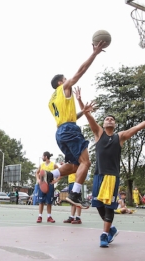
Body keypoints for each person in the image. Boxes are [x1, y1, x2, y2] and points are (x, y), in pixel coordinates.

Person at [79, 87, 145, 247]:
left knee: (109, 206)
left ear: (115, 124)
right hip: (98, 175)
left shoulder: (120, 137)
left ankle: (104, 235)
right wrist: (80, 101)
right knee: (98, 205)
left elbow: (137, 128)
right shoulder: (98, 133)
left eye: (112, 119)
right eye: (107, 119)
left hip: (112, 176)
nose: (109, 120)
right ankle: (110, 229)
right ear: (103, 124)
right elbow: (88, 116)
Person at [42, 41, 108, 209]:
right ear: (60, 82)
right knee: (86, 163)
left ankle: (51, 175)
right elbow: (80, 72)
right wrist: (94, 54)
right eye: (65, 79)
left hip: (60, 132)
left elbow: (68, 118)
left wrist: (83, 112)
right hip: (70, 130)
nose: (68, 80)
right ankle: (75, 194)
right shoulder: (64, 87)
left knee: (75, 166)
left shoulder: (52, 101)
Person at [36, 151, 59, 223]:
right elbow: (36, 172)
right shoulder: (42, 165)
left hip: (50, 185)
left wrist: (56, 181)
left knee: (49, 202)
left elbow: (60, 172)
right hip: (42, 185)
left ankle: (49, 217)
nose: (42, 157)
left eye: (43, 156)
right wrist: (38, 179)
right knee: (41, 201)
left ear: (46, 157)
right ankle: (40, 216)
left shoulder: (53, 165)